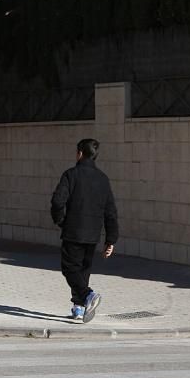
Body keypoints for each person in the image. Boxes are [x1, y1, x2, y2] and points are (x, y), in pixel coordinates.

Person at [50, 138, 119, 322]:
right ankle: (79, 307)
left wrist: (60, 220)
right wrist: (110, 239)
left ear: (80, 153)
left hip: (73, 230)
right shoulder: (103, 179)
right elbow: (110, 211)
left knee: (69, 268)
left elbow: (58, 201)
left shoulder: (71, 175)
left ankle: (88, 296)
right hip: (93, 234)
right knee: (83, 271)